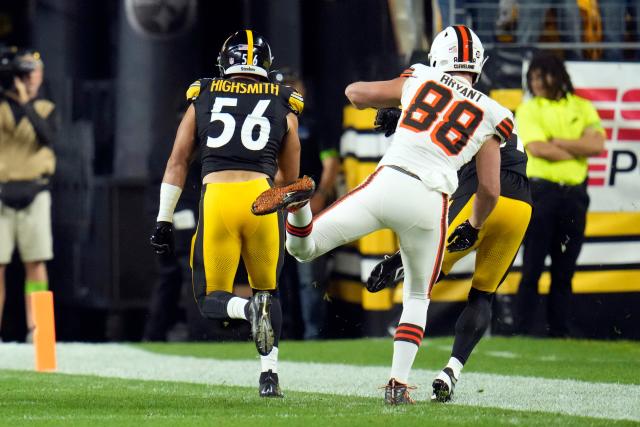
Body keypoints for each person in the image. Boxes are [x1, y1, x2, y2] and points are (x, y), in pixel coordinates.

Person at [252, 25, 513, 405]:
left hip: (387, 183)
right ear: (479, 63)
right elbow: (490, 188)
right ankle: (397, 384)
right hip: (430, 201)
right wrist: (473, 225)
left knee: (303, 250)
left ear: (438, 55)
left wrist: (395, 105)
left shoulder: (421, 77)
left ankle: (300, 202)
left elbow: (354, 93)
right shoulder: (494, 113)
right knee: (418, 295)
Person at [149, 30, 304, 397]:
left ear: (226, 64)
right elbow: (290, 180)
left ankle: (248, 311)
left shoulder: (202, 94)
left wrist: (163, 219)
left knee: (209, 299)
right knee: (269, 290)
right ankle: (269, 376)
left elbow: (177, 161)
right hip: (262, 199)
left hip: (218, 199)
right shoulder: (285, 102)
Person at [366, 108, 532, 402]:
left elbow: (435, 130)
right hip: (521, 205)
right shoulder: (498, 116)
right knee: (483, 295)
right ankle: (452, 370)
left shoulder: (461, 106)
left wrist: (403, 119)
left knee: (422, 280)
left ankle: (402, 265)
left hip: (480, 196)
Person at [514, 52, 605, 337]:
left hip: (575, 196)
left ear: (558, 76)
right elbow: (539, 148)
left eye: (542, 76)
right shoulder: (529, 108)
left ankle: (559, 332)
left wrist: (559, 143)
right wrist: (578, 147)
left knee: (564, 271)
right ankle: (522, 331)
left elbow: (597, 145)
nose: (537, 82)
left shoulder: (582, 106)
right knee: (532, 267)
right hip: (542, 194)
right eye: (533, 77)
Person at [272, 69, 340, 340]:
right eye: (285, 85)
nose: (290, 90)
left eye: (293, 85)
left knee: (307, 274)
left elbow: (331, 161)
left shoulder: (314, 121)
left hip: (305, 204)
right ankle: (285, 332)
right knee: (277, 274)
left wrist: (322, 192)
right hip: (277, 204)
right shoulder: (269, 120)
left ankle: (313, 335)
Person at [0, 48, 57, 342]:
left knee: (36, 263)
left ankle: (41, 332)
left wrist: (26, 102)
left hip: (35, 191)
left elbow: (48, 137)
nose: (31, 78)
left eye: (34, 72)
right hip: (1, 194)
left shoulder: (45, 108)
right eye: (25, 72)